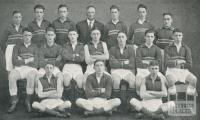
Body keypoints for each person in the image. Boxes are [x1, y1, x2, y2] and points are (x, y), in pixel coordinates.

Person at [7, 28, 38, 113]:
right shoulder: (17, 46)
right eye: (25, 35)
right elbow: (14, 61)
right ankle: (14, 101)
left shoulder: (35, 47)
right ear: (22, 36)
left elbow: (36, 63)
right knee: (12, 76)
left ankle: (27, 100)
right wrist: (28, 60)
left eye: (29, 35)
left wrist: (21, 60)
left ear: (32, 36)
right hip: (19, 69)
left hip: (31, 69)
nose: (27, 37)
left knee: (31, 76)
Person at [164, 28, 197, 96]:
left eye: (179, 35)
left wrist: (178, 64)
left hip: (183, 71)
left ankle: (189, 92)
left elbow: (189, 64)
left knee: (194, 79)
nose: (178, 37)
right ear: (173, 36)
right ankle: (172, 90)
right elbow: (167, 63)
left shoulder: (186, 48)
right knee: (171, 83)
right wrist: (178, 62)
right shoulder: (168, 48)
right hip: (171, 71)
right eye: (176, 35)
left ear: (182, 36)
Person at [135, 29, 165, 95]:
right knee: (138, 83)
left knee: (164, 80)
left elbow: (159, 63)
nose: (149, 38)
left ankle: (157, 98)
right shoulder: (139, 48)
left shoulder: (157, 49)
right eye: (148, 36)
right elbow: (138, 63)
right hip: (142, 70)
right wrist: (152, 63)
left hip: (154, 70)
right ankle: (141, 98)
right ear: (145, 37)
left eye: (151, 37)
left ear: (154, 38)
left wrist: (146, 63)